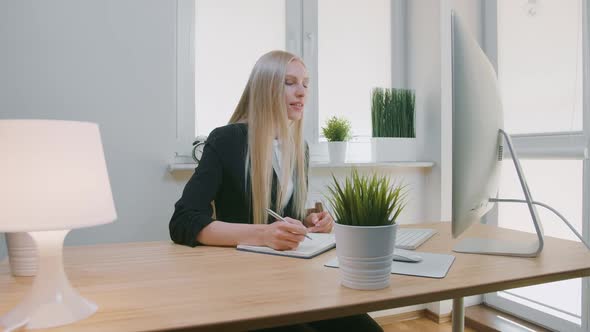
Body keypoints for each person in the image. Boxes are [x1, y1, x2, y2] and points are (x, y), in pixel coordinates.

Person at [169, 50, 382, 332]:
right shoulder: (226, 140)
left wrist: (307, 221)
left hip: (293, 281)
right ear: (266, 88)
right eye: (290, 82)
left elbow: (280, 214)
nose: (302, 92)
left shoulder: (299, 148)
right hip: (244, 290)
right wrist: (263, 234)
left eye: (305, 83)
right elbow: (182, 221)